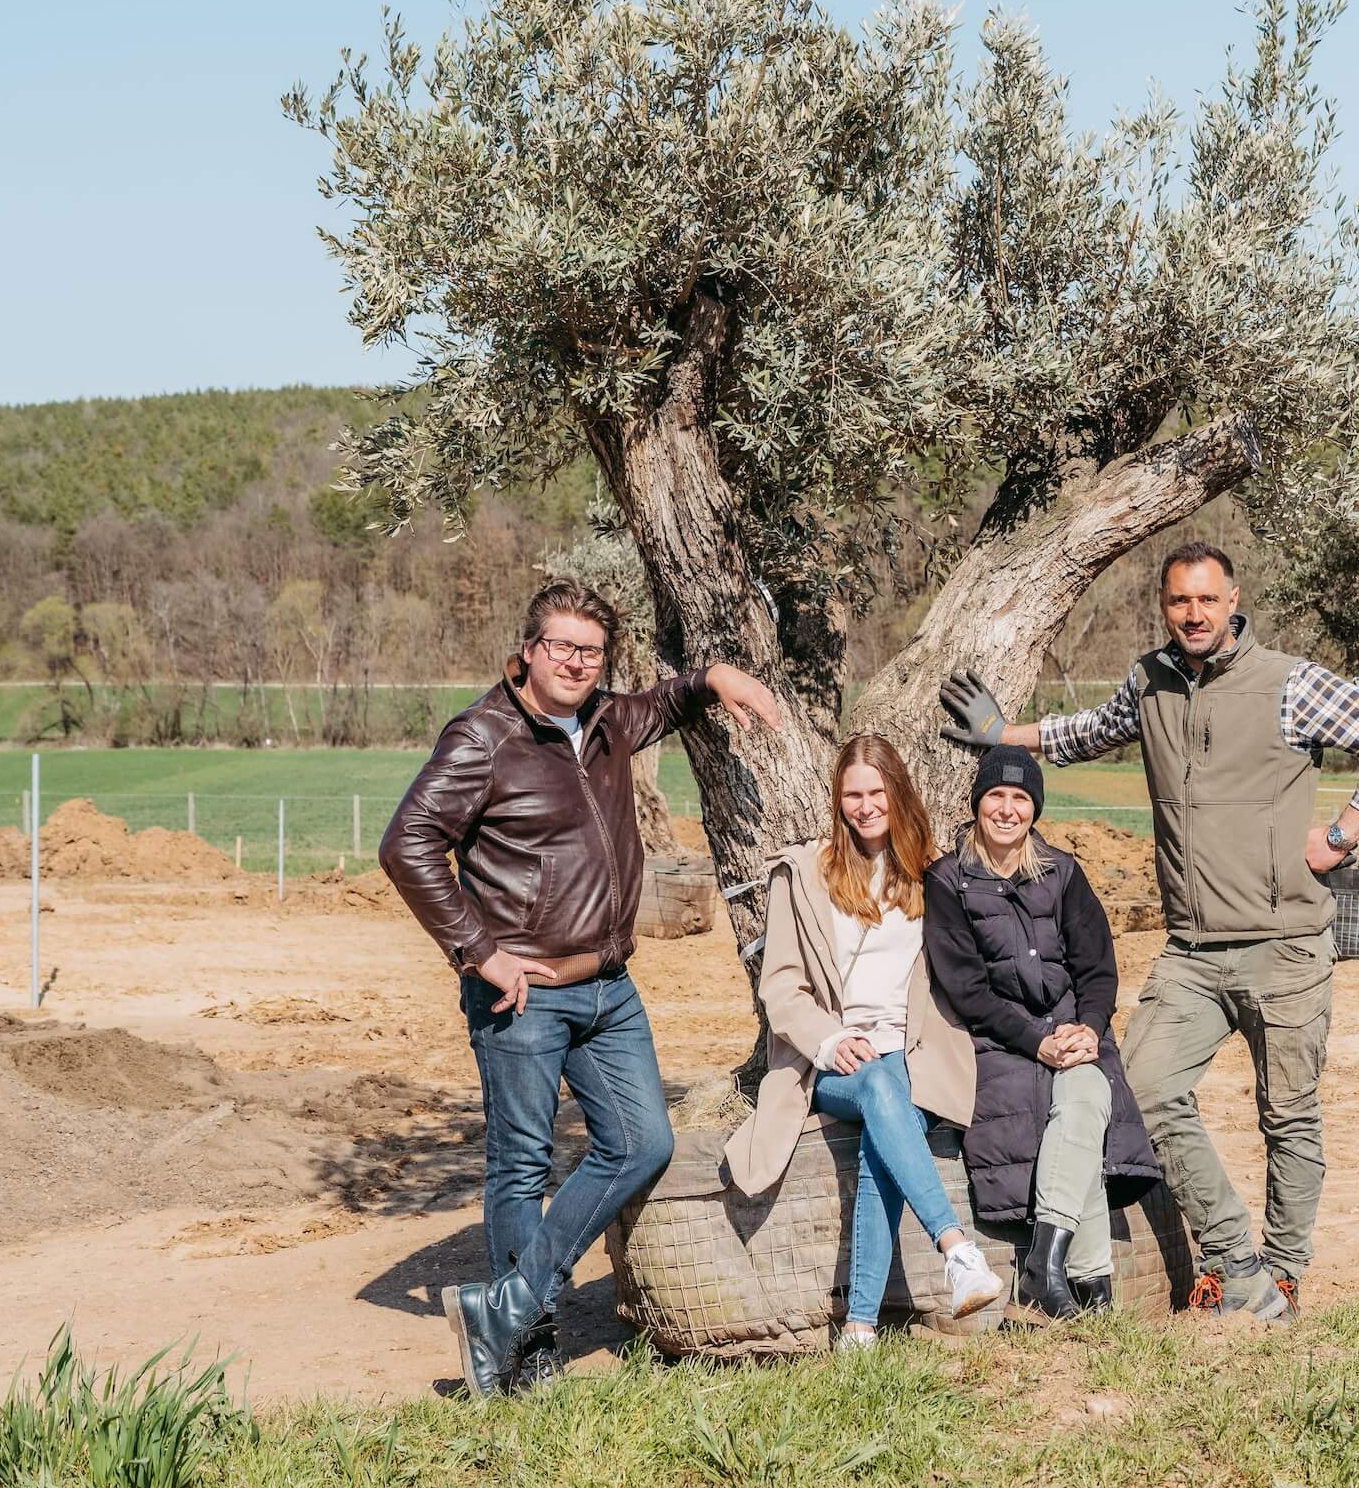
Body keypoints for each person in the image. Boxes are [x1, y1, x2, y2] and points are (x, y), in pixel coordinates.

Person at [939, 542, 1359, 1321]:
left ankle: (1287, 1271)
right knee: (1144, 1083)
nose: (1194, 614)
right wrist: (1006, 734)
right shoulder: (1150, 680)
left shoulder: (1289, 684)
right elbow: (1086, 731)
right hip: (1193, 950)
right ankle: (1237, 1261)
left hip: (1287, 944)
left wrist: (1342, 834)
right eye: (1179, 601)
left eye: (1207, 599)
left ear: (1233, 598)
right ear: (1164, 605)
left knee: (1289, 1115)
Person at [380, 578, 782, 1396]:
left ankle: (510, 1303)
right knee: (521, 1166)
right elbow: (407, 842)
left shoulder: (604, 721)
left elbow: (663, 703)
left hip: (607, 985)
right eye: (561, 645)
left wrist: (715, 678)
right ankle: (528, 1356)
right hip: (521, 991)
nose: (574, 661)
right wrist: (478, 950)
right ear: (528, 649)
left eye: (590, 651)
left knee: (644, 1143)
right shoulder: (483, 736)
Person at [724, 733, 1005, 1345]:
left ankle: (859, 1328)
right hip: (831, 1062)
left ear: (898, 793)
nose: (865, 805)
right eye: (852, 794)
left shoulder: (934, 876)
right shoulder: (804, 875)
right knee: (878, 1084)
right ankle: (956, 1249)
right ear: (837, 799)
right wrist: (828, 1041)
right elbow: (781, 988)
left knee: (888, 1113)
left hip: (912, 1055)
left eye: (876, 791)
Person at [922, 744, 1162, 1318]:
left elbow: (1098, 967)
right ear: (978, 802)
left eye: (1021, 798)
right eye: (997, 796)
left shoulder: (1062, 871)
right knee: (1065, 1104)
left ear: (1035, 809)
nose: (1007, 809)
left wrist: (1089, 1028)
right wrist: (1037, 1042)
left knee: (1087, 1091)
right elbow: (966, 988)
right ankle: (1091, 1278)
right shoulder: (948, 879)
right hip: (999, 1037)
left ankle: (1047, 1265)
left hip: (1071, 1029)